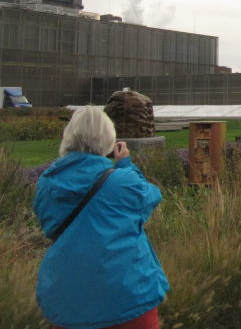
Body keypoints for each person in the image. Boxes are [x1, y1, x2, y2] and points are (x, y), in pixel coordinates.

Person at [34, 106, 169, 329]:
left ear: (68, 136)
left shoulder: (47, 182)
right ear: (108, 139)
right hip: (127, 296)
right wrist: (126, 165)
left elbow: (49, 226)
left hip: (66, 297)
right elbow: (151, 197)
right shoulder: (122, 181)